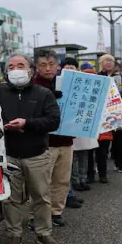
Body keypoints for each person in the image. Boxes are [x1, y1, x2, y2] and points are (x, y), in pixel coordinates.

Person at [0, 53, 61, 244]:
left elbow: (53, 121)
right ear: (6, 71)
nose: (16, 69)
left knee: (42, 197)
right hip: (9, 155)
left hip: (37, 155)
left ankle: (44, 232)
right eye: (11, 66)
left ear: (30, 70)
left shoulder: (44, 93)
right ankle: (14, 235)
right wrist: (3, 126)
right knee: (11, 199)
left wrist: (28, 124)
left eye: (21, 65)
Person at [33, 52, 78, 227]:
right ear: (36, 67)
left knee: (62, 179)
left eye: (51, 64)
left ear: (58, 65)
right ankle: (35, 215)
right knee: (41, 182)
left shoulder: (67, 83)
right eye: (43, 64)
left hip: (66, 140)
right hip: (43, 143)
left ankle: (56, 211)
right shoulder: (32, 86)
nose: (48, 68)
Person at [98, 55, 122, 174]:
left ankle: (119, 163)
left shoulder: (121, 77)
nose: (109, 63)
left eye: (111, 61)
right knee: (103, 142)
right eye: (106, 61)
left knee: (119, 139)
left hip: (118, 112)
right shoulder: (98, 77)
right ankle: (101, 167)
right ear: (101, 63)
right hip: (104, 113)